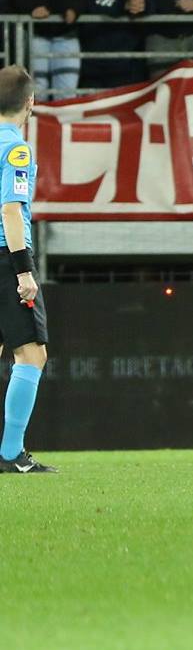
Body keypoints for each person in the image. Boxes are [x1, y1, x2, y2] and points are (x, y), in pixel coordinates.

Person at [0, 65, 51, 471]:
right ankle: (10, 453)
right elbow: (11, 208)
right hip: (5, 257)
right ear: (30, 102)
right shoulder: (15, 148)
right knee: (31, 355)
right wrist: (23, 271)